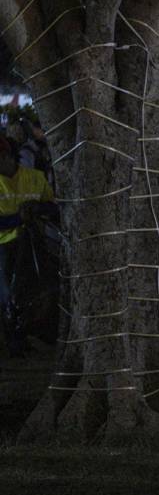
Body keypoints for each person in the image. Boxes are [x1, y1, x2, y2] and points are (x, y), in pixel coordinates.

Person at [0, 137, 54, 359]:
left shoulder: (35, 178)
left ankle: (36, 332)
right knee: (8, 294)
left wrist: (38, 207)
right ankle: (15, 341)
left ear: (6, 157)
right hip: (5, 245)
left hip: (35, 241)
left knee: (44, 286)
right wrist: (18, 219)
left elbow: (53, 207)